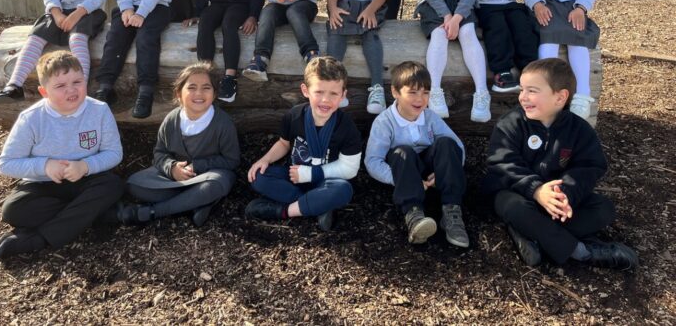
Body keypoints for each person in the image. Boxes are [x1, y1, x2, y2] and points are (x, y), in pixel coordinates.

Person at [483, 58, 638, 270]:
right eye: (522, 90)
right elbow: (502, 162)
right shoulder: (511, 124)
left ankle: (532, 235)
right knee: (512, 206)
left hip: (555, 200)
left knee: (603, 209)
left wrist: (564, 194)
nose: (523, 97)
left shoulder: (579, 130)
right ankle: (581, 252)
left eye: (532, 91)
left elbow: (590, 166)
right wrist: (536, 190)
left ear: (560, 97)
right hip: (517, 194)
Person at [0, 51, 123, 260]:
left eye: (77, 82)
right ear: (44, 92)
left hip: (86, 180)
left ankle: (39, 239)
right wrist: (45, 166)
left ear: (85, 81)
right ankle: (92, 215)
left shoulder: (99, 110)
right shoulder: (31, 119)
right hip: (44, 185)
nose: (71, 90)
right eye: (60, 86)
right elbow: (6, 163)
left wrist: (85, 166)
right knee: (13, 210)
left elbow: (114, 153)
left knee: (113, 185)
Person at [245, 56, 362, 231]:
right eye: (319, 92)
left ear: (343, 95)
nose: (325, 100)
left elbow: (349, 169)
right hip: (294, 177)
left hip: (325, 181)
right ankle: (317, 205)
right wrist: (265, 159)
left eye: (333, 93)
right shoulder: (294, 116)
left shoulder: (347, 127)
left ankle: (283, 211)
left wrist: (311, 174)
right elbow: (284, 144)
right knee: (258, 177)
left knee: (343, 189)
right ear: (305, 90)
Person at [118, 62, 240, 227]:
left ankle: (153, 212)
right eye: (191, 87)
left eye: (206, 88)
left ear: (215, 93)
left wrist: (198, 166)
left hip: (207, 176)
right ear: (178, 93)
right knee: (134, 183)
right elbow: (160, 154)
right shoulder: (171, 119)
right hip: (174, 179)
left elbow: (232, 161)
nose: (199, 93)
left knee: (216, 184)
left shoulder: (223, 123)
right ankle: (196, 203)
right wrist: (172, 168)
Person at [365, 61, 469, 247]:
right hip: (404, 170)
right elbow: (373, 161)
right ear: (395, 92)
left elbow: (457, 147)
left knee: (446, 143)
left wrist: (443, 174)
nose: (420, 99)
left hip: (429, 171)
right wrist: (405, 180)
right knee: (402, 151)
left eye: (425, 93)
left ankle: (451, 212)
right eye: (412, 92)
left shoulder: (430, 117)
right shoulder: (385, 122)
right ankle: (414, 215)